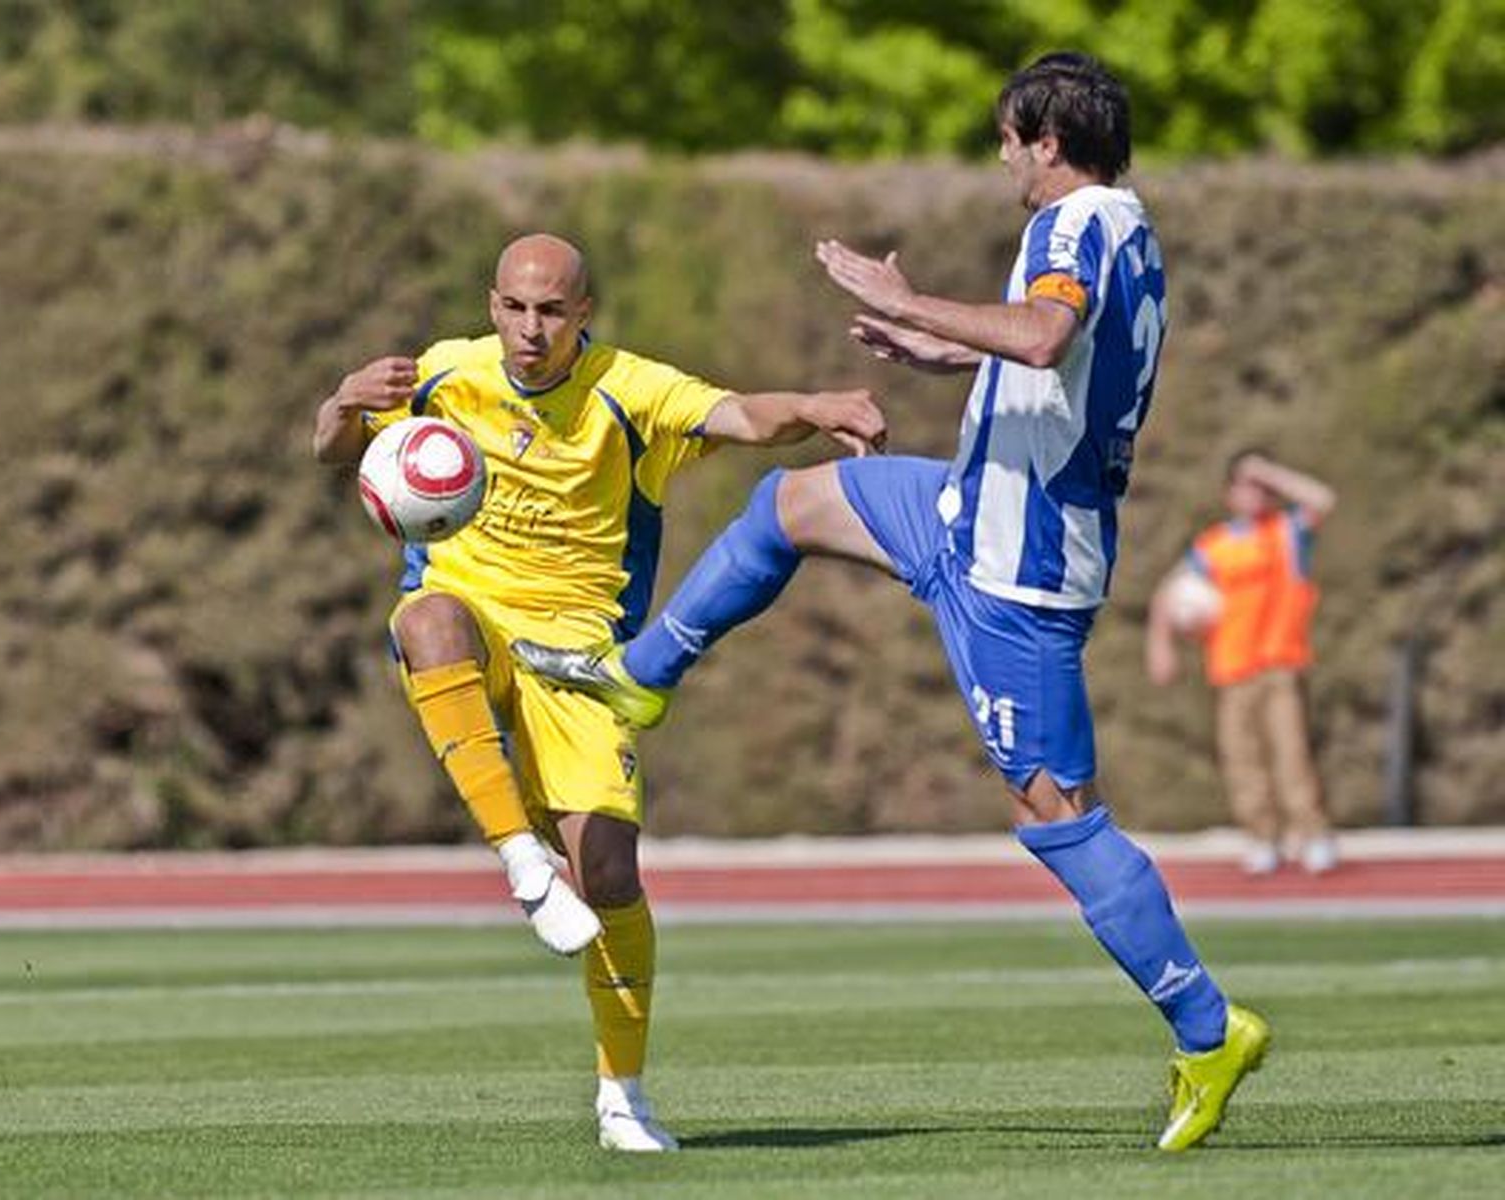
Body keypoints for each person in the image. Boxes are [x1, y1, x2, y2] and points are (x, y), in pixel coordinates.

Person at [513, 53, 1269, 1152]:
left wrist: (908, 296)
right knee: (793, 505)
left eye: (1009, 139)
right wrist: (929, 346)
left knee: (1054, 814)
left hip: (1018, 569)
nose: (1002, 156)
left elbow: (1047, 337)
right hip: (969, 512)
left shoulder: (1071, 228)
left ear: (1046, 141)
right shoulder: (1126, 227)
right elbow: (1056, 367)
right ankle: (641, 678)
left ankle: (1207, 1028)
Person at [312, 232, 886, 1152]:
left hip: (576, 650)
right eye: (513, 307)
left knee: (610, 868)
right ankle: (518, 859)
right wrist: (344, 400)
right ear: (491, 303)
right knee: (428, 621)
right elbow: (334, 451)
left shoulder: (629, 389)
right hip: (471, 608)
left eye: (551, 311)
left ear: (585, 314)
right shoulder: (446, 375)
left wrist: (816, 405)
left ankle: (624, 1095)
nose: (529, 329)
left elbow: (739, 416)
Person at [1147, 450, 1338, 875]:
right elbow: (1168, 591)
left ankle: (1312, 835)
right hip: (1231, 668)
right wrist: (1161, 646)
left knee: (1292, 756)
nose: (1253, 493)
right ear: (1229, 494)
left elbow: (1322, 500)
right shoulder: (1214, 545)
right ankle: (1262, 838)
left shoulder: (1287, 531)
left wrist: (1268, 470)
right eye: (1244, 485)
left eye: (1260, 487)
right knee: (1241, 760)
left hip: (1280, 665)